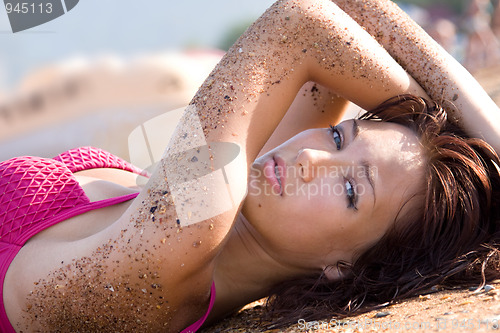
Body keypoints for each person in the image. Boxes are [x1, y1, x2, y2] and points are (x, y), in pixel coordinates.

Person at [2, 0, 500, 332]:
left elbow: (299, 23)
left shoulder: (183, 236)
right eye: (337, 136)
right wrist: (467, 132)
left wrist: (437, 118)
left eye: (350, 189)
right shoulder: (236, 198)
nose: (310, 158)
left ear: (344, 269)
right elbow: (350, 10)